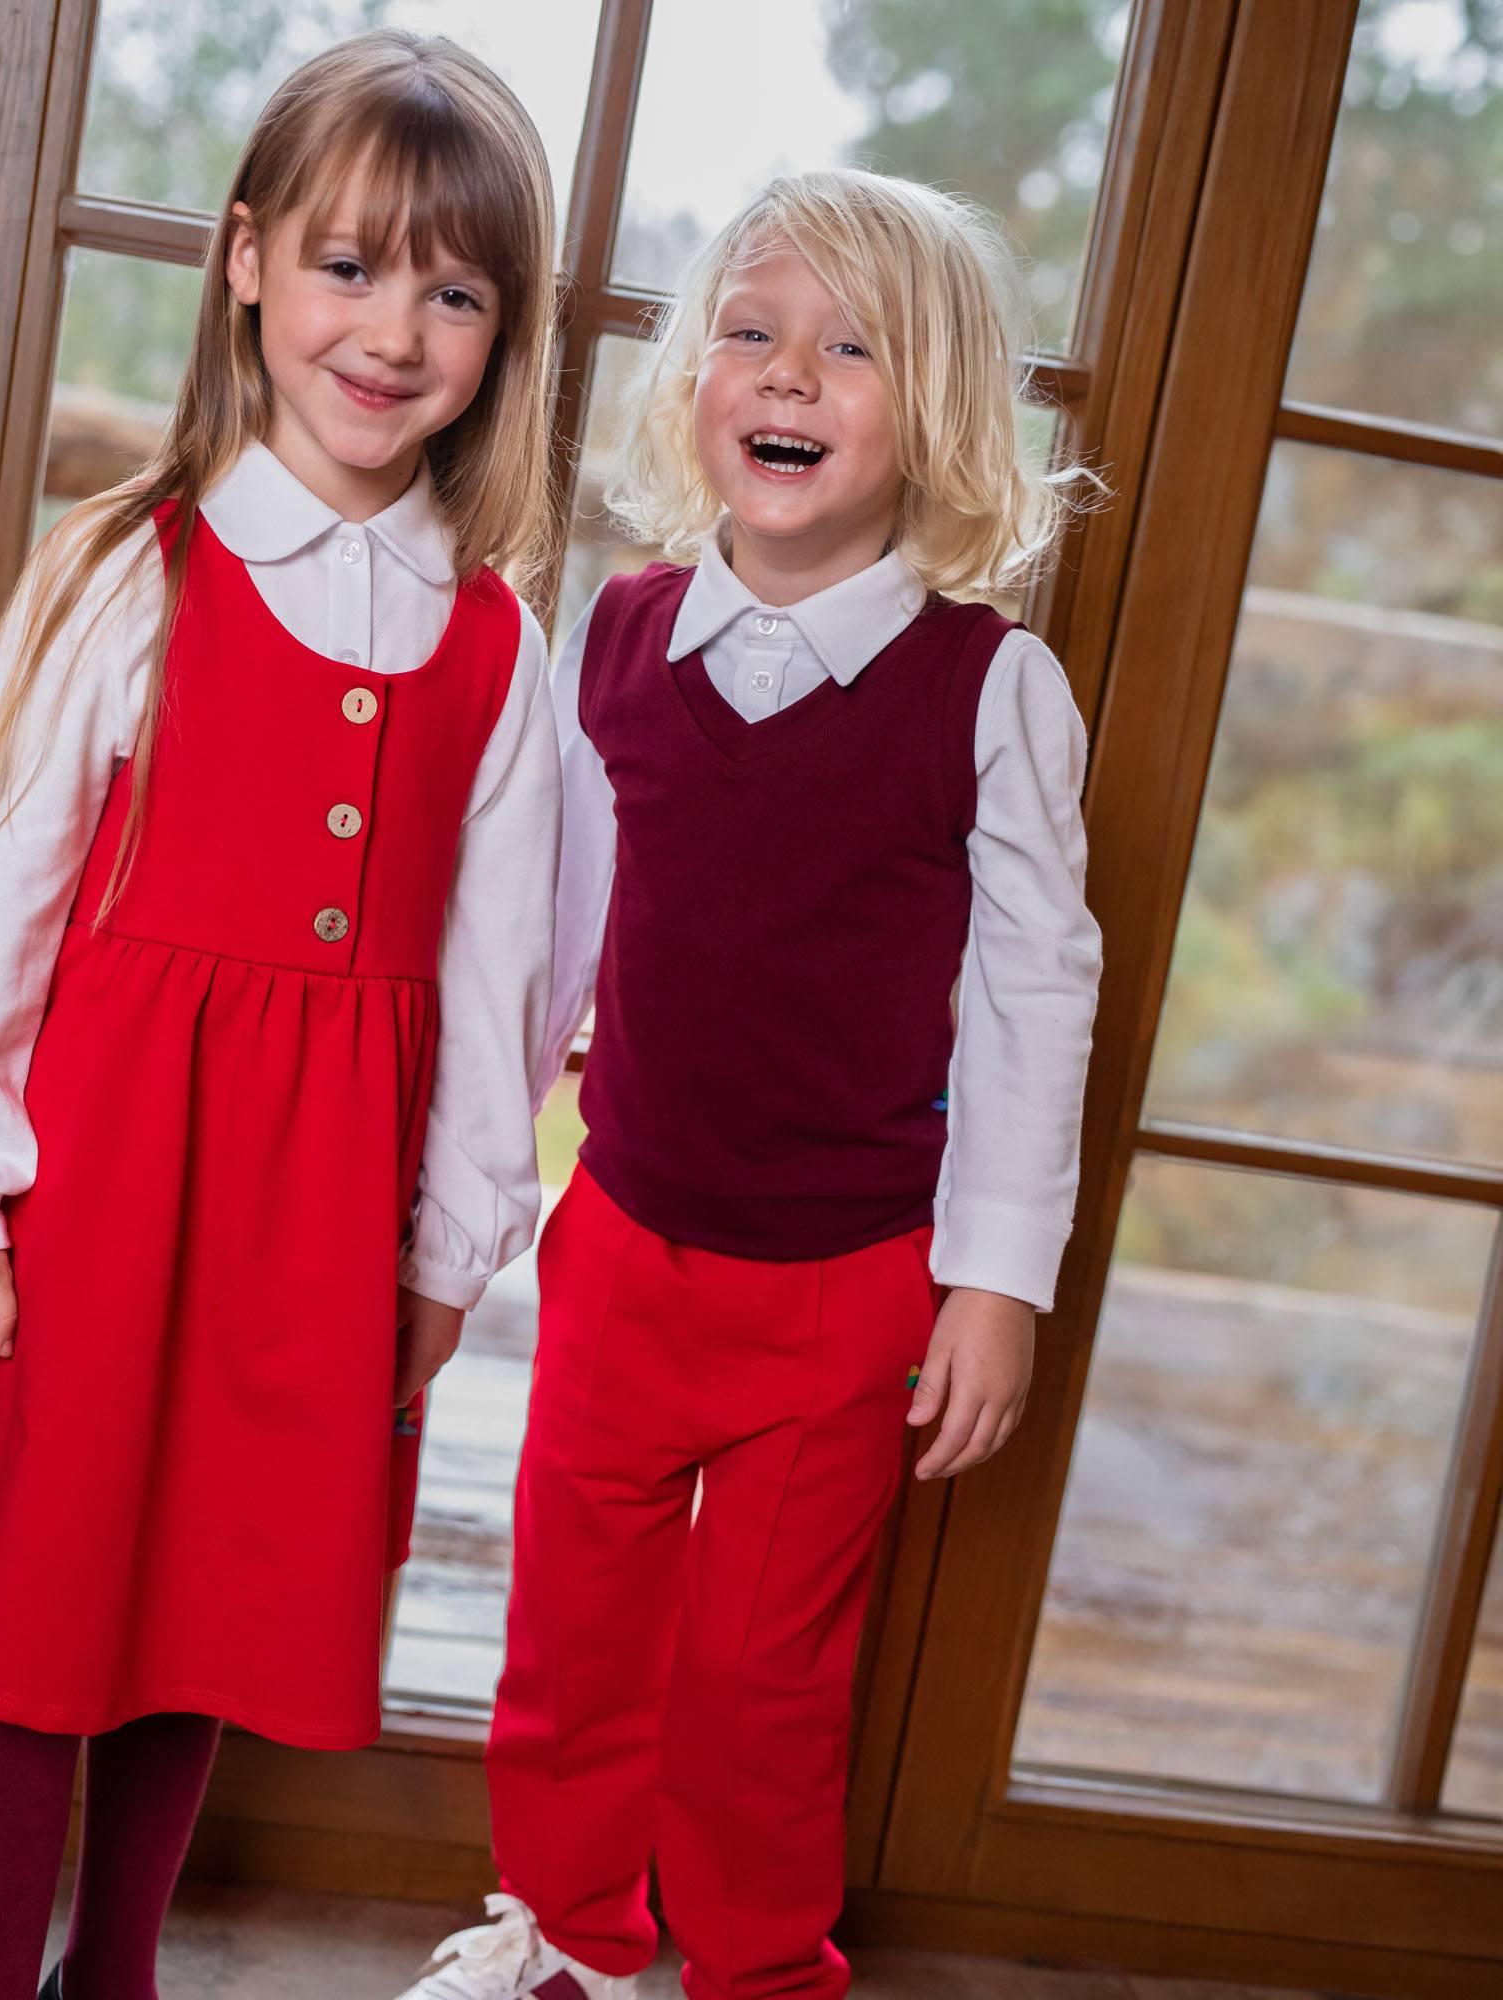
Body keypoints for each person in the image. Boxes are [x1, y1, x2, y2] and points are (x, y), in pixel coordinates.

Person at [0, 31, 563, 1998]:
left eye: (452, 288)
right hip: (96, 1190)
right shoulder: (127, 572)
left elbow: (509, 982)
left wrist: (449, 1244)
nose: (391, 327)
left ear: (504, 330)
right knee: (35, 1633)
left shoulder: (500, 641)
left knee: (205, 1616)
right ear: (245, 263)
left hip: (314, 1225)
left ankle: (115, 1971)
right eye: (346, 264)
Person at [402, 168, 1103, 2000]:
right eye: (752, 333)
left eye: (850, 349)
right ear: (694, 382)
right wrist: (468, 1201)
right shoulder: (616, 635)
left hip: (843, 1289)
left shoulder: (991, 690)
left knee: (759, 1685)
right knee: (572, 1637)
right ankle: (563, 1935)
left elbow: (1037, 996)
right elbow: (552, 936)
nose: (789, 377)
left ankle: (760, 1970)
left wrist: (997, 1283)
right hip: (624, 1242)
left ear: (936, 410)